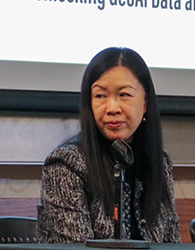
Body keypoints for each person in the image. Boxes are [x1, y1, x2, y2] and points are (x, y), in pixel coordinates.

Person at [36, 47, 181, 243]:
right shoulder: (66, 164)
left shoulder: (160, 164)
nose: (112, 108)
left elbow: (172, 243)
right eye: (100, 96)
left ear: (145, 103)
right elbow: (75, 248)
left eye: (124, 95)